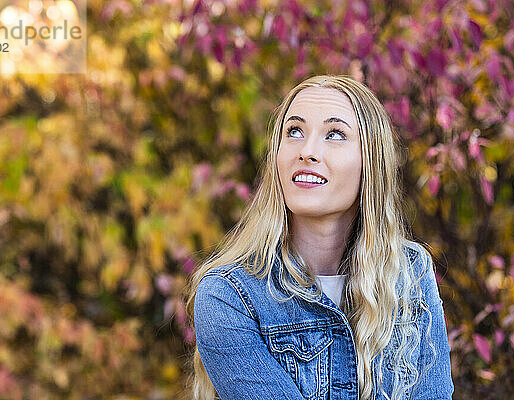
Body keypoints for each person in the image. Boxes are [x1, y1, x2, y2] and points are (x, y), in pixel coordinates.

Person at [185, 75, 454, 400]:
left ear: (370, 162)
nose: (307, 151)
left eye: (335, 134)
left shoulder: (410, 274)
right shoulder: (229, 296)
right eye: (294, 131)